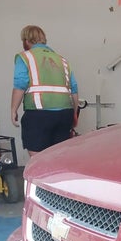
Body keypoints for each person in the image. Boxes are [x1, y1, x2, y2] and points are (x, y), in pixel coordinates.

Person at [10, 25, 79, 156]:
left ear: (26, 40)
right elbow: (74, 89)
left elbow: (20, 84)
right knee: (59, 157)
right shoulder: (62, 60)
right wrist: (74, 114)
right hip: (64, 114)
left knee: (38, 161)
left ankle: (40, 177)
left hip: (39, 115)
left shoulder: (25, 57)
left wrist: (13, 110)